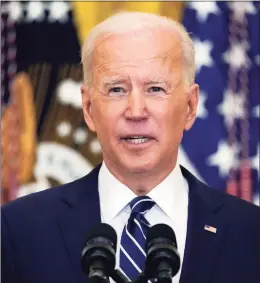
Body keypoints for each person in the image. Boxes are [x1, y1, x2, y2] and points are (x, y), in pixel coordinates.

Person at [2, 11, 260, 283]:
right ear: (88, 108)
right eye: (117, 90)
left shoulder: (250, 232)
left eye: (155, 89)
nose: (136, 111)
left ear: (190, 106)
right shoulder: (17, 231)